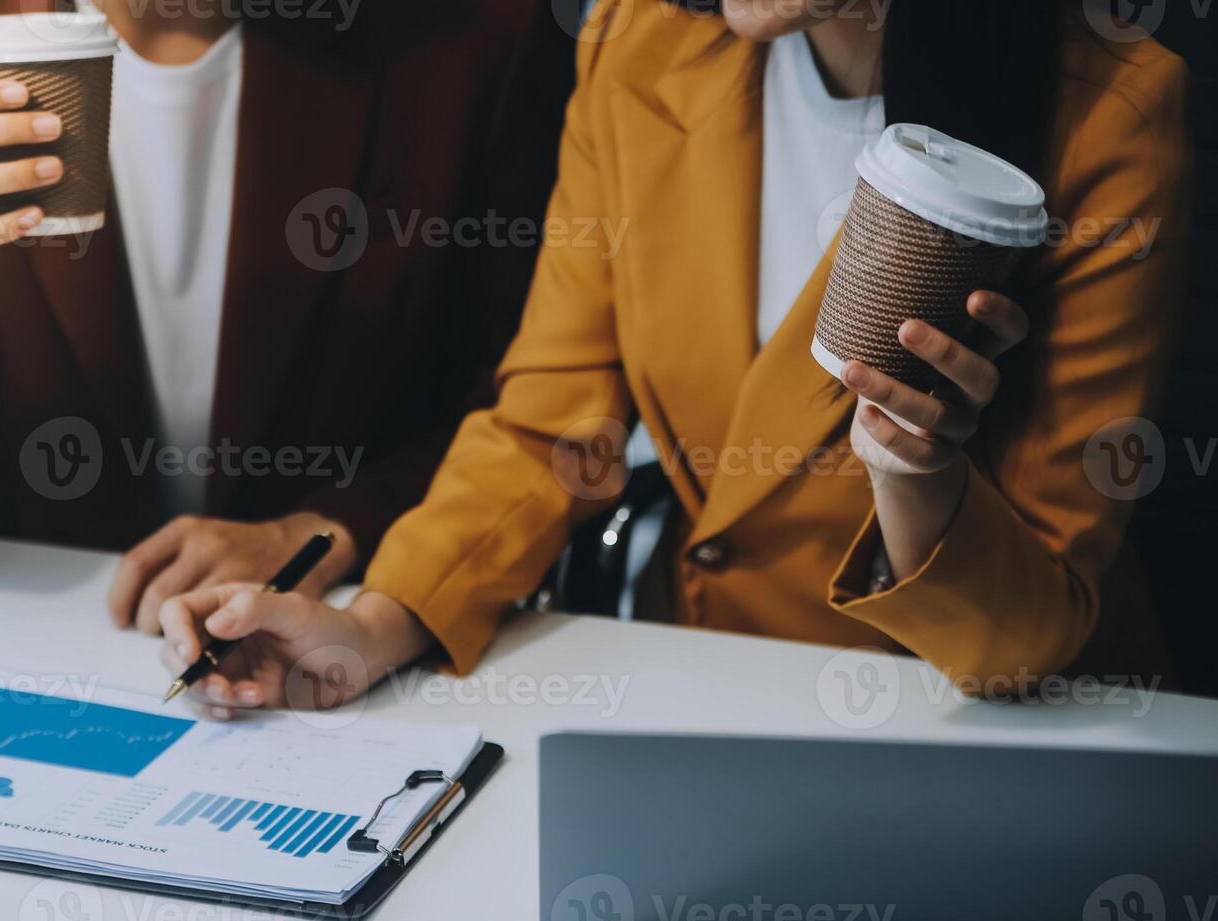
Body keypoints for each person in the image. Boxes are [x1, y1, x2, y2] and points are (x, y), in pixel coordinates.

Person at [154, 0, 1194, 715]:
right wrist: (371, 627)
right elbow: (551, 425)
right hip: (700, 694)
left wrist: (917, 472)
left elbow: (1025, 639)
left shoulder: (1109, 113)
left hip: (992, 735)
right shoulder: (642, 43)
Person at [0, 0, 573, 631]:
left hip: (324, 644)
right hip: (1, 643)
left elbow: (527, 407)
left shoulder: (474, 34)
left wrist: (326, 532)